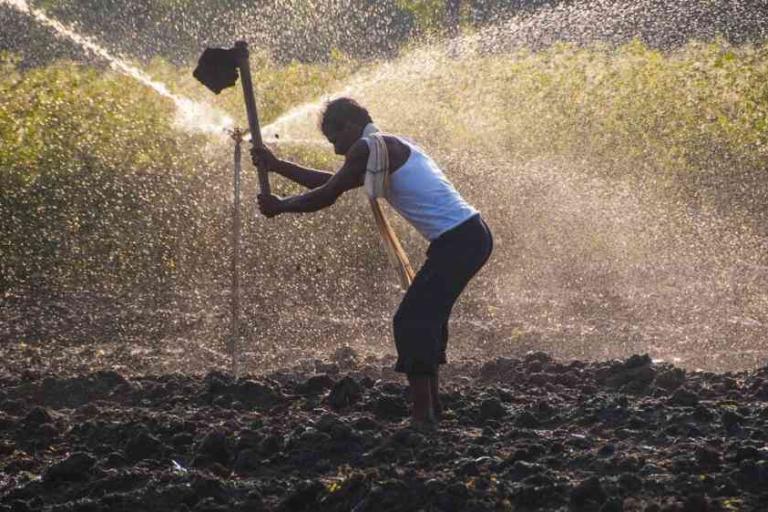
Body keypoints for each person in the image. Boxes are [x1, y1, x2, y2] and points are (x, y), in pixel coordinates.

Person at [251, 97, 493, 425]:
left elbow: (326, 195)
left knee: (411, 320)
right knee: (426, 318)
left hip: (460, 240)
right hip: (466, 236)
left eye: (335, 139)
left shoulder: (369, 148)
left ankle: (424, 415)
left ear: (351, 125)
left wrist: (281, 206)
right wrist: (277, 166)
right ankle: (432, 408)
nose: (336, 150)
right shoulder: (383, 145)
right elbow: (332, 182)